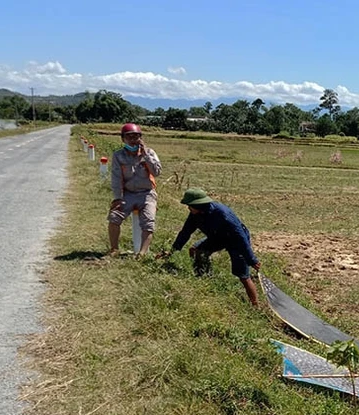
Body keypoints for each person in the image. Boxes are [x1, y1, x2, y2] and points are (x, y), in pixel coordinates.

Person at [165, 188, 262, 306]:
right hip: (218, 238)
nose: (188, 208)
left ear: (197, 205)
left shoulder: (223, 214)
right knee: (196, 250)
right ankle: (204, 278)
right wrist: (173, 251)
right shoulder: (195, 215)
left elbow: (240, 237)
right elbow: (185, 233)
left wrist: (251, 259)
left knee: (242, 275)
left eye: (190, 206)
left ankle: (255, 305)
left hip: (235, 241)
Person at [107, 123, 162, 256]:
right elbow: (116, 178)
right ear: (123, 139)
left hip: (147, 193)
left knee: (148, 222)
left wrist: (145, 155)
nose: (132, 140)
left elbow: (157, 172)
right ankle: (114, 249)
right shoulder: (118, 156)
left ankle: (142, 253)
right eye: (129, 137)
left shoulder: (149, 153)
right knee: (114, 217)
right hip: (128, 193)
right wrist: (118, 198)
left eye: (136, 136)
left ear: (141, 138)